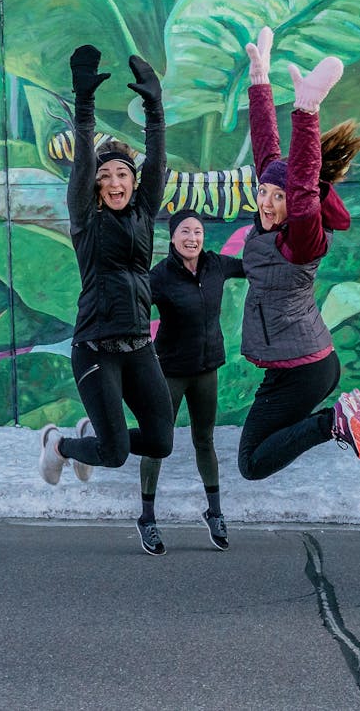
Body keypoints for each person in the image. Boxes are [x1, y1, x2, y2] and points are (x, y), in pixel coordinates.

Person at [232, 26, 360, 500]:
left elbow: (299, 185)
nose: (268, 201)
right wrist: (260, 79)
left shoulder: (302, 238)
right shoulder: (272, 220)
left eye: (279, 196)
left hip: (305, 369)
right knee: (254, 456)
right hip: (294, 363)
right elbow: (267, 150)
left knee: (252, 463)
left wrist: (307, 111)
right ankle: (332, 421)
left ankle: (332, 423)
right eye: (264, 192)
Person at [37, 47, 176, 543]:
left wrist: (155, 107)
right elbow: (81, 160)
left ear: (133, 182)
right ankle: (62, 445)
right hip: (95, 346)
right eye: (106, 175)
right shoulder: (86, 217)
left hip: (139, 345)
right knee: (114, 453)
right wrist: (84, 102)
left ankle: (83, 437)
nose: (115, 181)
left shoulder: (143, 213)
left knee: (161, 440)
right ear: (95, 186)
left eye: (123, 174)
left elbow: (157, 157)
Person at [138, 208, 242, 554]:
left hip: (207, 369)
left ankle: (214, 512)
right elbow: (134, 305)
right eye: (185, 231)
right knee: (158, 441)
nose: (192, 238)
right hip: (169, 372)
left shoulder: (216, 265)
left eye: (197, 231)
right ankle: (147, 518)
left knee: (204, 440)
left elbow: (253, 267)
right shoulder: (161, 276)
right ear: (172, 237)